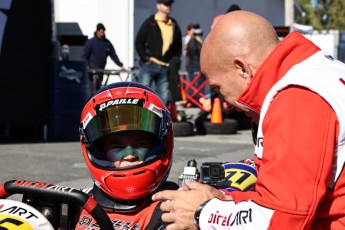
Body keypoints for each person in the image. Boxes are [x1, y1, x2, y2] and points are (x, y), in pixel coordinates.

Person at [152, 10, 345, 229]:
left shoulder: (298, 96)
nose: (224, 102)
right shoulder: (316, 73)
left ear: (242, 69)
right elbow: (286, 201)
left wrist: (202, 213)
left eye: (218, 88)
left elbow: (280, 221)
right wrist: (223, 201)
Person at [77, 81, 178, 229]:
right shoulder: (77, 202)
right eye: (117, 147)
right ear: (100, 152)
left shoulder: (176, 210)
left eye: (140, 145)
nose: (130, 155)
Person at [135, 0, 182, 106]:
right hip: (150, 64)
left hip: (165, 67)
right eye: (166, 4)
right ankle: (138, 120)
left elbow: (178, 46)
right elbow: (138, 41)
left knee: (163, 98)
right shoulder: (150, 22)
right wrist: (145, 58)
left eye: (170, 4)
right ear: (158, 5)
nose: (168, 6)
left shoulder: (173, 24)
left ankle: (159, 121)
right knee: (141, 94)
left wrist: (174, 61)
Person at [81, 23, 126, 92]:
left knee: (99, 91)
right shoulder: (91, 42)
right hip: (92, 72)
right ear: (97, 31)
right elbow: (84, 55)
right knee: (92, 91)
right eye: (101, 32)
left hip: (101, 71)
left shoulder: (107, 43)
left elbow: (113, 55)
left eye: (103, 31)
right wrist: (86, 65)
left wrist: (121, 65)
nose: (102, 33)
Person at [186, 24, 209, 99]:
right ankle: (192, 100)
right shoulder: (193, 41)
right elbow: (193, 54)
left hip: (199, 66)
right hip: (194, 67)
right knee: (195, 86)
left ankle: (199, 100)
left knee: (200, 85)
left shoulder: (200, 41)